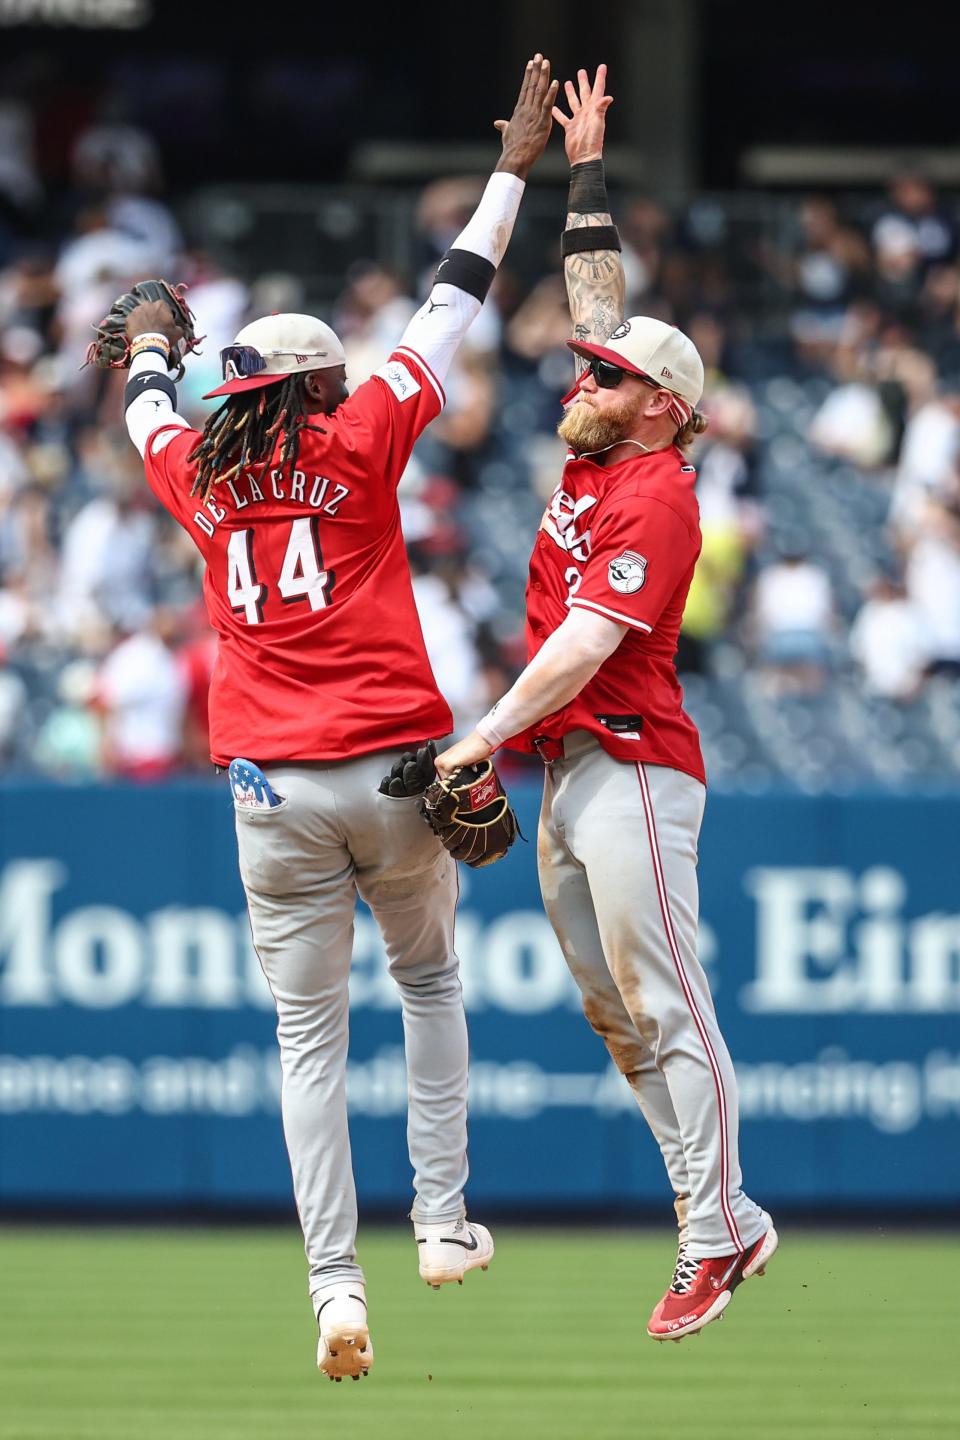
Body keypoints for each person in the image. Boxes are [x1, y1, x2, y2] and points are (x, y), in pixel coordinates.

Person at [117, 55, 559, 1380]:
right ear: (317, 386)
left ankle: (331, 1291)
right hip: (389, 765)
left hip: (266, 786)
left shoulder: (199, 466)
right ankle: (440, 1220)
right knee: (428, 979)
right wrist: (509, 175)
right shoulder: (362, 436)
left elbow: (146, 406)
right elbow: (455, 299)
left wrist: (148, 345)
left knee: (306, 1042)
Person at [437, 65, 776, 1344]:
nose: (582, 379)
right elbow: (601, 310)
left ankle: (720, 1226)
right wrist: (581, 172)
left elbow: (583, 649)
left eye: (608, 380)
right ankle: (713, 1217)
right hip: (573, 773)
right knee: (615, 1009)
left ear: (664, 415)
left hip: (633, 760)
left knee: (667, 992)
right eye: (589, 373)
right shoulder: (606, 443)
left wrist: (477, 738)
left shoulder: (658, 497)